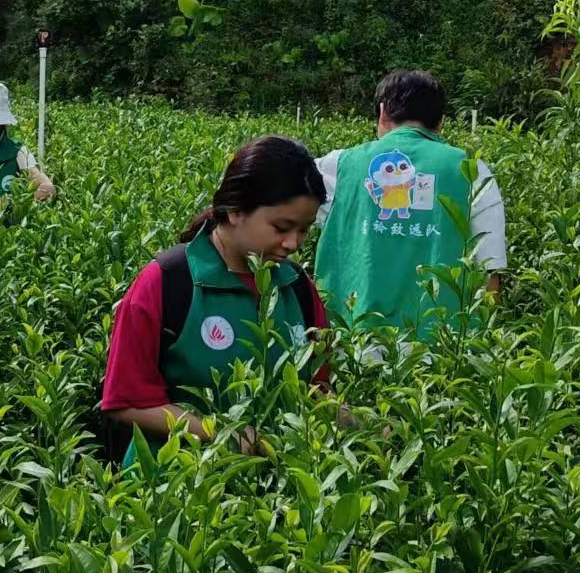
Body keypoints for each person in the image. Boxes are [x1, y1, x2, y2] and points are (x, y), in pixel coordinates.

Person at [100, 135, 332, 464]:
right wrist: (218, 432)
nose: (294, 243)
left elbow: (317, 391)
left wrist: (359, 423)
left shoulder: (296, 288)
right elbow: (126, 401)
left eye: (305, 229)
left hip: (274, 492)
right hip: (172, 492)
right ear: (236, 210)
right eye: (282, 227)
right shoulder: (169, 280)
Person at [313, 69, 507, 339]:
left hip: (352, 342)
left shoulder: (336, 167)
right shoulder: (473, 171)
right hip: (444, 349)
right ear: (440, 122)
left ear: (382, 113)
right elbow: (489, 270)